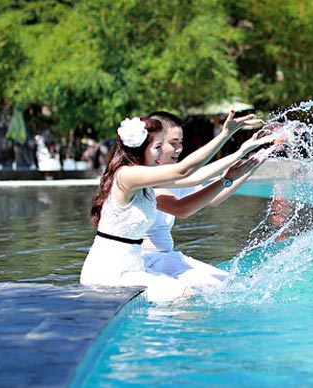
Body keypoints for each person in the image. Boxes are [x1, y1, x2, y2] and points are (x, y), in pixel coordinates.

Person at [79, 111, 264, 303]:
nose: (161, 154)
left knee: (207, 293)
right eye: (157, 147)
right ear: (141, 148)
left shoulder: (145, 179)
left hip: (132, 268)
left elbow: (196, 176)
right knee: (188, 297)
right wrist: (226, 136)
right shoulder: (126, 175)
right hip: (109, 272)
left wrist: (241, 156)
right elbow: (183, 171)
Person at [141, 112, 275, 290]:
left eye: (180, 142)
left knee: (233, 283)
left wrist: (254, 162)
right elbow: (182, 207)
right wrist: (232, 145)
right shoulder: (145, 177)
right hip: (147, 261)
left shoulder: (172, 179)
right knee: (216, 288)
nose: (179, 148)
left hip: (167, 256)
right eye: (173, 143)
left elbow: (213, 198)